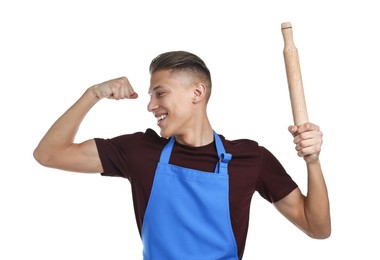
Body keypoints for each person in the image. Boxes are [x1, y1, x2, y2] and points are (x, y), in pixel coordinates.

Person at [33, 50, 331, 259]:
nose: (150, 105)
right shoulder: (139, 152)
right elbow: (49, 154)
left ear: (197, 93)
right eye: (151, 95)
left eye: (159, 93)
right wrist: (93, 93)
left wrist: (313, 162)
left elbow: (317, 228)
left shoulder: (250, 159)